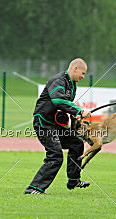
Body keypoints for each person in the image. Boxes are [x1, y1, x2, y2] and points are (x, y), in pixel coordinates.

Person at [24, 58, 92, 194]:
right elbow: (58, 100)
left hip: (55, 124)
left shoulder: (71, 84)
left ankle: (73, 180)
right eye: (82, 73)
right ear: (75, 69)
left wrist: (76, 118)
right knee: (55, 156)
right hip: (44, 123)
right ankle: (34, 188)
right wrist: (79, 110)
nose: (83, 76)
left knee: (77, 144)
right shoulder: (59, 80)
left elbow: (65, 106)